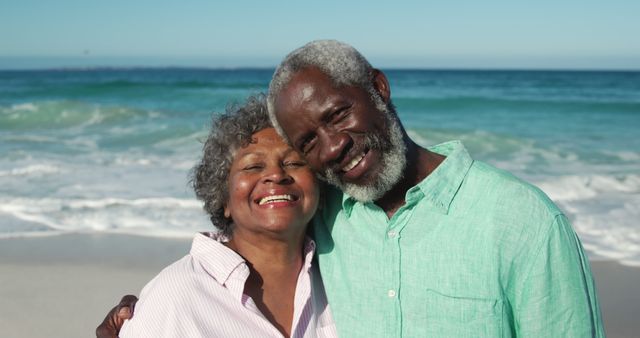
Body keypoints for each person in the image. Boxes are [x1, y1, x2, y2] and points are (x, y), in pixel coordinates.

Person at [99, 40, 604, 337]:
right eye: (309, 142)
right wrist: (140, 316)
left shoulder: (522, 221)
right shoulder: (332, 215)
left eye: (338, 114)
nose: (334, 146)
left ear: (378, 88)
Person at [112, 95, 336, 337]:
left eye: (294, 163)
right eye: (253, 167)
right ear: (223, 198)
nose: (276, 175)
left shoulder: (340, 276)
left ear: (320, 188)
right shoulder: (177, 294)